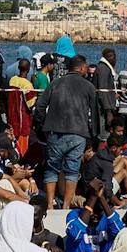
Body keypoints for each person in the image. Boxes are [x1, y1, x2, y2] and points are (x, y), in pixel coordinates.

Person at [41, 51, 105, 208]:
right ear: (83, 68)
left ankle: (49, 205)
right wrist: (95, 136)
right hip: (78, 133)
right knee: (72, 171)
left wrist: (41, 125)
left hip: (54, 132)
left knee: (51, 169)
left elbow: (40, 106)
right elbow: (95, 115)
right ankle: (66, 206)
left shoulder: (55, 83)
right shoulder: (89, 87)